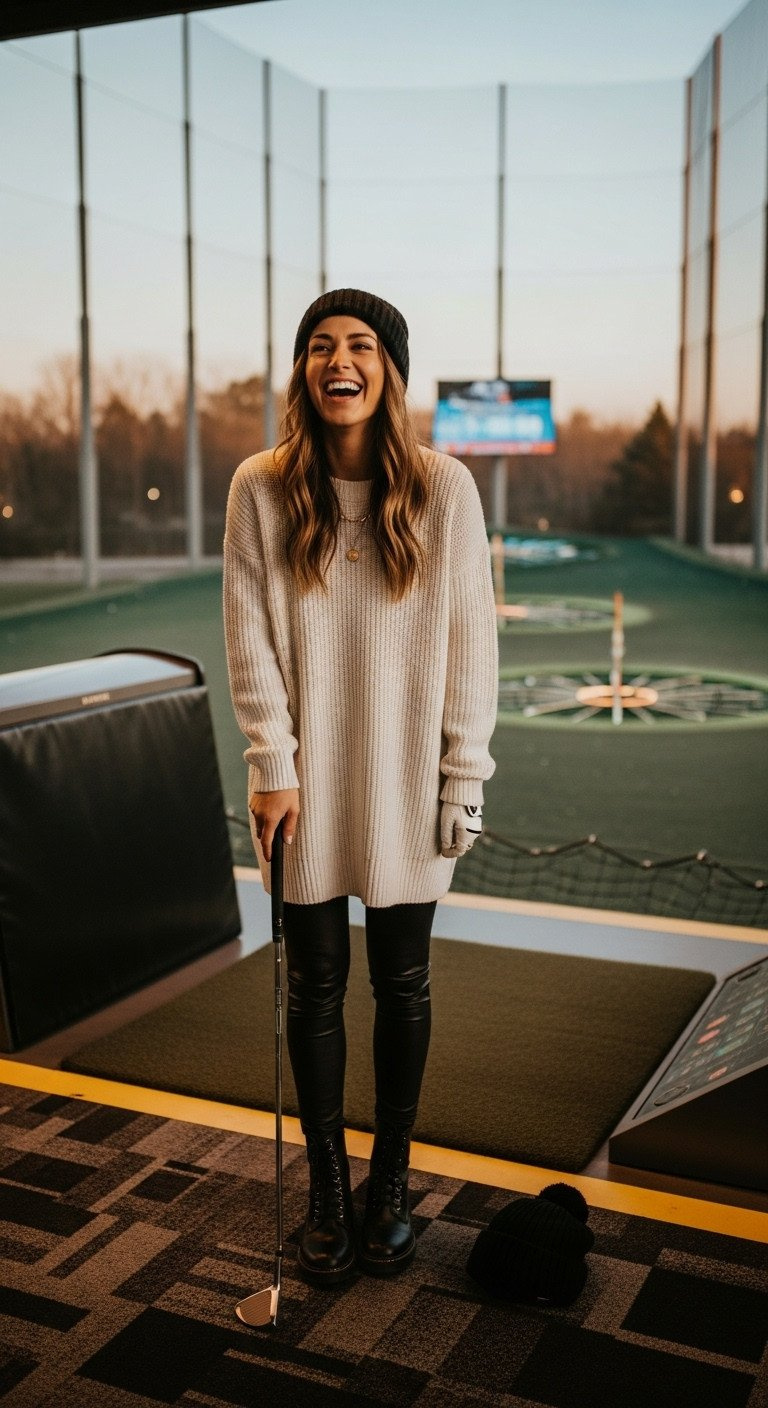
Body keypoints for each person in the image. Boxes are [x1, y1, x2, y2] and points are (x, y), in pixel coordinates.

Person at [223, 288, 498, 1286]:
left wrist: (463, 775)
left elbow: (472, 643)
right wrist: (271, 764)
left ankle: (391, 1185)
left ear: (389, 369)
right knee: (316, 982)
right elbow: (249, 639)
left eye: (363, 345)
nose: (341, 359)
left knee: (405, 981)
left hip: (406, 783)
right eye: (321, 346)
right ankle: (331, 1192)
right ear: (303, 371)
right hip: (305, 785)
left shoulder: (444, 487)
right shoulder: (260, 485)